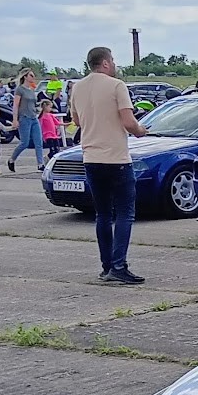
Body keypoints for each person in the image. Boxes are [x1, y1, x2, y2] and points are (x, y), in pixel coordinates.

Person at [70, 45, 149, 285]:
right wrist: (141, 131)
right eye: (112, 60)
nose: (114, 64)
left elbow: (75, 120)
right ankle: (119, 265)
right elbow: (128, 121)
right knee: (125, 212)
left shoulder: (77, 88)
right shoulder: (117, 86)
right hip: (116, 158)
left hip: (91, 158)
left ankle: (106, 266)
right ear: (105, 63)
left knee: (102, 214)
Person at [7, 71, 45, 171]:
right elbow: (15, 105)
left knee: (38, 142)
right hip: (24, 118)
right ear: (25, 77)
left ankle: (40, 164)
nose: (33, 77)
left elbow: (33, 104)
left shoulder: (32, 90)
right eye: (31, 75)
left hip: (33, 117)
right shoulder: (20, 90)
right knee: (24, 143)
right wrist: (15, 119)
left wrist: (39, 110)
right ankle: (12, 159)